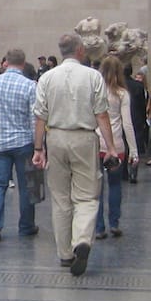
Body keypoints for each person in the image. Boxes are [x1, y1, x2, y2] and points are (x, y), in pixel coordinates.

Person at [32, 33, 113, 277]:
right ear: (80, 50)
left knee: (60, 198)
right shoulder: (92, 76)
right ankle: (82, 240)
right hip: (84, 137)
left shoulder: (46, 77)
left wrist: (38, 148)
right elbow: (101, 115)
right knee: (87, 196)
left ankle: (65, 253)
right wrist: (110, 147)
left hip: (55, 137)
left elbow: (40, 116)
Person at [0, 47, 38, 241]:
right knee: (26, 186)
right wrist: (38, 145)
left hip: (0, 141)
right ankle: (26, 226)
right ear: (23, 64)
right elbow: (34, 118)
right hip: (23, 142)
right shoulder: (30, 85)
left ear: (6, 61)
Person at [94, 59, 140, 240]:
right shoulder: (122, 94)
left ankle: (99, 227)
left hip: (96, 143)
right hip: (116, 144)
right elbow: (127, 123)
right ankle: (114, 222)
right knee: (115, 185)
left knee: (96, 187)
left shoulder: (94, 91)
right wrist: (134, 150)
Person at [124, 64, 149, 182]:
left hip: (123, 119)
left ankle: (123, 172)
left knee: (124, 145)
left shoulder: (118, 85)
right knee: (135, 147)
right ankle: (134, 171)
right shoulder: (138, 86)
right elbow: (142, 104)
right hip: (136, 118)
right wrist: (144, 119)